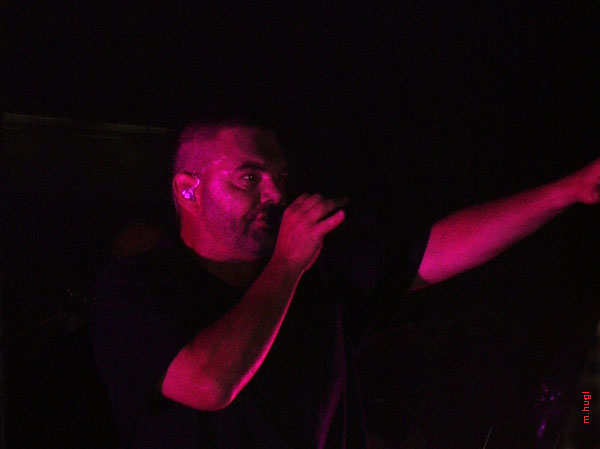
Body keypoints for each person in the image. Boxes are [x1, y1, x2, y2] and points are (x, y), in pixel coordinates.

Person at [90, 117, 600, 448]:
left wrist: (568, 191)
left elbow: (439, 248)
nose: (275, 194)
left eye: (279, 178)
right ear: (188, 190)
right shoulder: (135, 289)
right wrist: (287, 263)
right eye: (249, 178)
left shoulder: (316, 271)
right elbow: (207, 383)